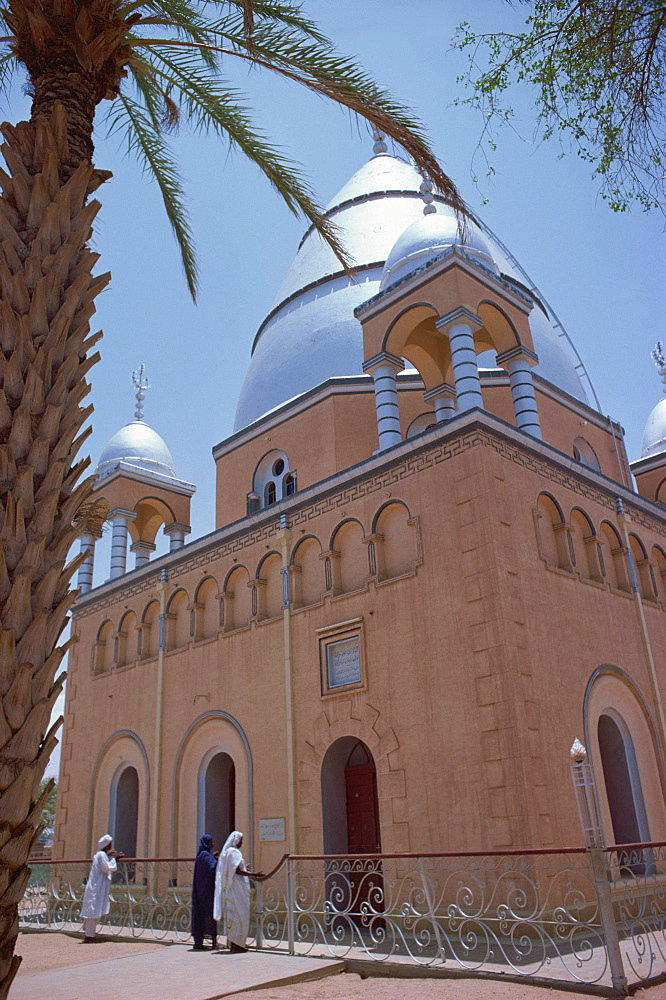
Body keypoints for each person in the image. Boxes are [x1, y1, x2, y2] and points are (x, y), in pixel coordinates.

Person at [213, 831, 263, 953]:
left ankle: (236, 944)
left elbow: (235, 868)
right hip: (237, 888)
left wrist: (246, 868)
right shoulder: (234, 852)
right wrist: (252, 874)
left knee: (234, 915)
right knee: (240, 915)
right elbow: (236, 871)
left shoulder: (227, 852)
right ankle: (238, 945)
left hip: (232, 889)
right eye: (241, 840)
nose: (242, 842)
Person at [80, 835, 124, 942]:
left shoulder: (100, 855)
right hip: (96, 886)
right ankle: (90, 936)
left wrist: (109, 856)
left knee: (93, 910)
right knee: (92, 910)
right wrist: (114, 859)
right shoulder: (101, 855)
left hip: (96, 885)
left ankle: (89, 934)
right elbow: (107, 868)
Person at [191, 834, 217, 950]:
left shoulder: (203, 855)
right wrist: (218, 861)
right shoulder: (205, 856)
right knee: (209, 914)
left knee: (201, 914)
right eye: (211, 842)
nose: (212, 844)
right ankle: (213, 942)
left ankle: (199, 941)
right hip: (206, 892)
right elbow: (212, 868)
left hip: (201, 890)